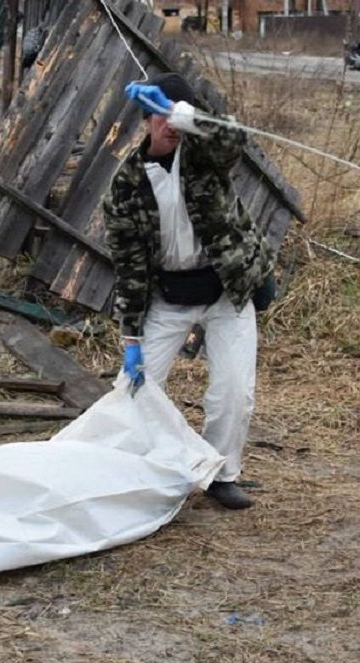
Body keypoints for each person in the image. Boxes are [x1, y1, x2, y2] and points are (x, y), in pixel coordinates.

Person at [103, 73, 275, 511]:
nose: (169, 125)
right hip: (169, 296)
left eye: (176, 115)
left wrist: (186, 113)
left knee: (235, 392)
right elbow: (128, 265)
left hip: (225, 292)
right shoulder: (126, 185)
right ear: (146, 121)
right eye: (161, 116)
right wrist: (131, 340)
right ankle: (138, 467)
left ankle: (222, 473)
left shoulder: (203, 154)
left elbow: (234, 139)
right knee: (134, 387)